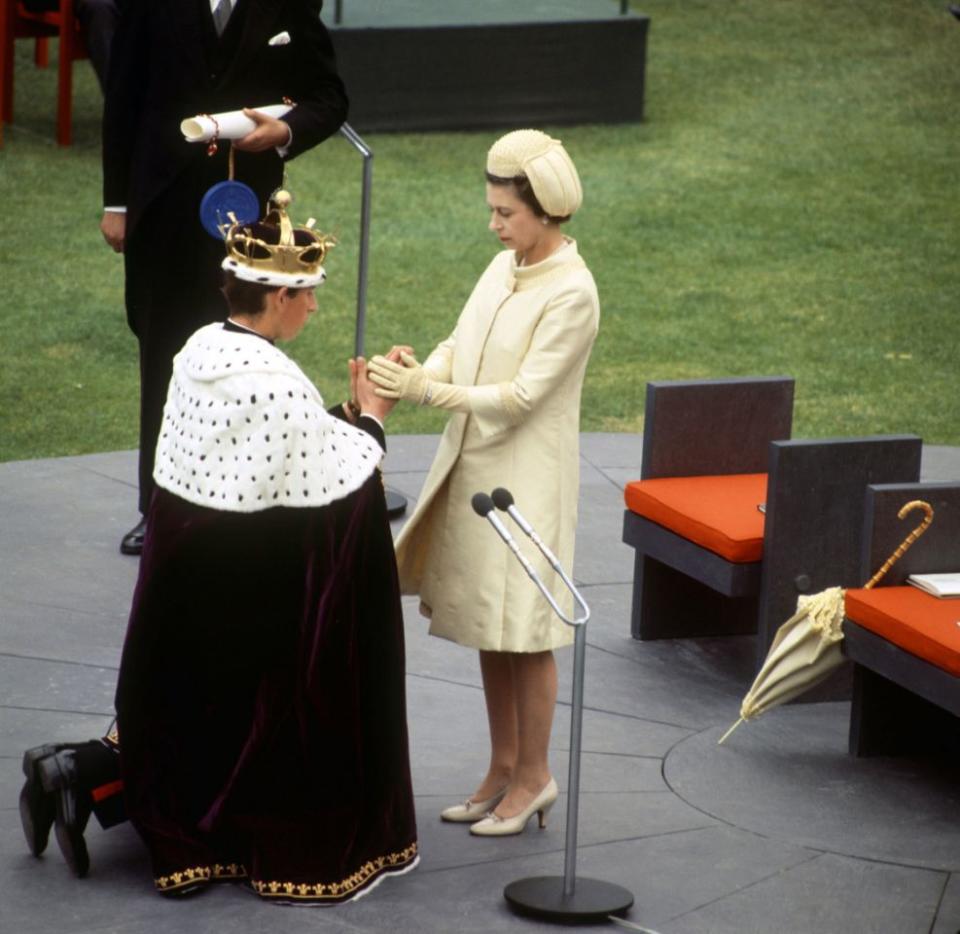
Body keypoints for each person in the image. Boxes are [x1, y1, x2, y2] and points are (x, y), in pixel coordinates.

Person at [21, 193, 419, 901]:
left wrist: (345, 417)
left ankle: (73, 774)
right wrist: (376, 421)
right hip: (245, 593)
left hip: (182, 582)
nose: (316, 309)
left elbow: (275, 453)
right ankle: (94, 781)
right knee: (253, 717)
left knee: (184, 710)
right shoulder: (275, 383)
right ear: (281, 295)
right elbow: (337, 490)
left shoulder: (198, 351)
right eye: (309, 294)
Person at [368, 130, 599, 836]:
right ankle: (503, 768)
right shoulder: (505, 267)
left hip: (526, 480)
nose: (494, 224)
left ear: (545, 212)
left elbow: (524, 396)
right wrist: (420, 372)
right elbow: (460, 344)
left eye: (506, 213)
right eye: (494, 209)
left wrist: (424, 394)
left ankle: (535, 778)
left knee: (525, 634)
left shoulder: (573, 293)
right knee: (492, 630)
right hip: (478, 469)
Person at [99, 0, 348, 555]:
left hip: (250, 218)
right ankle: (159, 509)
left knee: (248, 357)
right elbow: (124, 98)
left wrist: (283, 131)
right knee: (164, 352)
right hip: (163, 210)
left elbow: (329, 98)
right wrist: (117, 203)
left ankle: (242, 505)